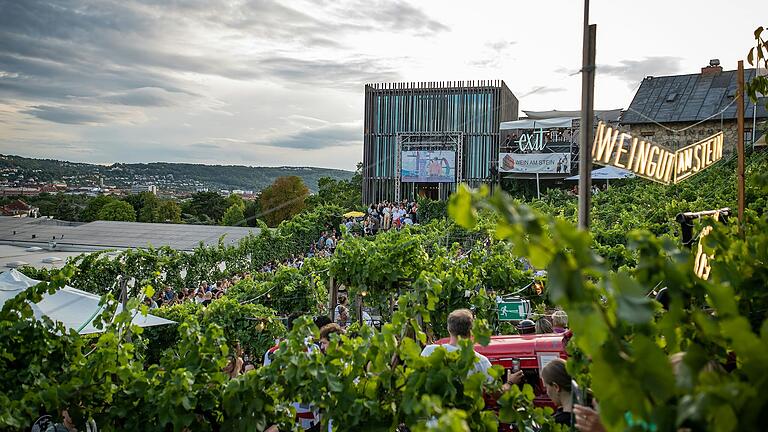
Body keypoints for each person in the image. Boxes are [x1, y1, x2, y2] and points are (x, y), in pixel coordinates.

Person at [420, 309, 492, 379]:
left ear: (449, 329)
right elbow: (494, 388)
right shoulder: (482, 362)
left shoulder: (429, 352)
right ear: (472, 330)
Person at [540, 358, 575, 426]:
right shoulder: (591, 412)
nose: (547, 392)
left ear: (556, 387)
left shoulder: (557, 424)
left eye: (546, 387)